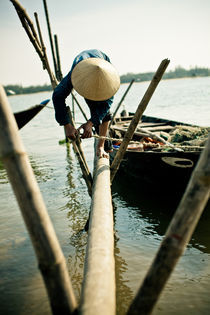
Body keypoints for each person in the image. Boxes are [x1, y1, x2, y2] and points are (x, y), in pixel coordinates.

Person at [52, 49, 120, 158]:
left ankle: (104, 147)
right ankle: (105, 145)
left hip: (102, 65)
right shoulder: (76, 74)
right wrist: (67, 125)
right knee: (94, 106)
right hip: (83, 68)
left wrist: (91, 122)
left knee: (100, 109)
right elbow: (57, 96)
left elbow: (105, 109)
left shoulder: (108, 82)